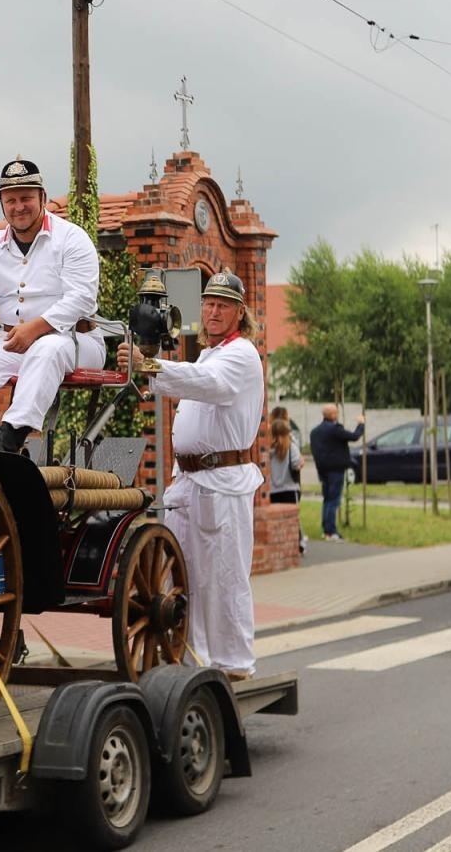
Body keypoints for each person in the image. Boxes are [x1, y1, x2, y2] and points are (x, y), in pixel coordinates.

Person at [121, 270, 263, 680]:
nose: (214, 311)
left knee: (224, 577)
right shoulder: (210, 353)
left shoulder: (240, 354)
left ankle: (233, 664)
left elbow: (207, 385)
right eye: (209, 304)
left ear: (239, 313)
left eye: (223, 305)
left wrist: (150, 363)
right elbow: (182, 384)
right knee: (185, 577)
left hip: (222, 483)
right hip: (191, 481)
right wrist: (143, 368)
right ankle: (192, 658)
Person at [0, 157, 105, 453]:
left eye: (27, 198)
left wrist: (37, 328)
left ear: (42, 197)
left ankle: (11, 438)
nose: (19, 207)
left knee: (47, 348)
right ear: (2, 203)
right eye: (11, 200)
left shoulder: (71, 238)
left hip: (76, 340)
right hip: (15, 341)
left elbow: (82, 297)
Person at [309, 404, 365, 542]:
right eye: (336, 412)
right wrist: (361, 424)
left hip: (323, 469)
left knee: (327, 499)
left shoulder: (315, 432)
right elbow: (354, 436)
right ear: (332, 414)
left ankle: (326, 529)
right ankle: (331, 531)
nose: (338, 414)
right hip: (336, 470)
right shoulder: (335, 429)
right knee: (334, 500)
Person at [267, 418, 305, 555]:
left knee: (276, 521)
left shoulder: (268, 450)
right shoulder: (291, 447)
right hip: (290, 488)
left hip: (273, 490)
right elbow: (296, 464)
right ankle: (298, 544)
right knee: (293, 519)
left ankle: (278, 545)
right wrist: (301, 462)